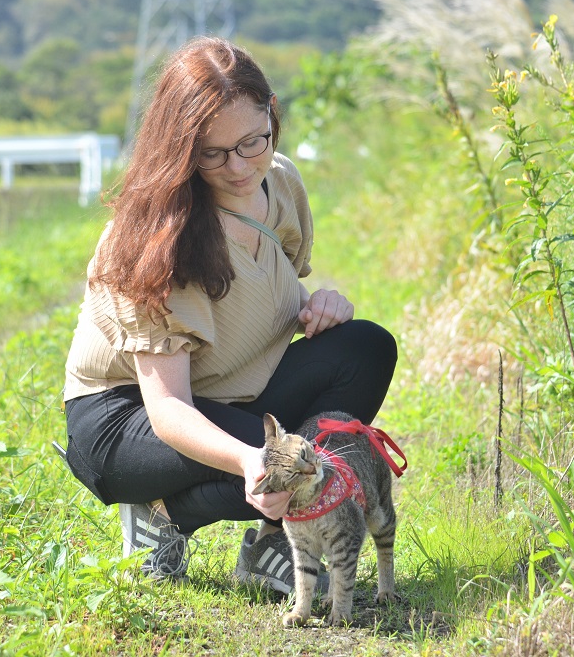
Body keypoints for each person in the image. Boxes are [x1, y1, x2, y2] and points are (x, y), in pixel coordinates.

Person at [62, 36, 396, 592]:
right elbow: (168, 407)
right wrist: (250, 461)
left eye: (251, 142)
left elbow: (265, 287)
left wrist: (321, 306)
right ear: (180, 148)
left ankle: (265, 538)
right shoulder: (155, 238)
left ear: (271, 114)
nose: (238, 167)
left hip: (227, 389)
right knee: (291, 464)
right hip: (126, 418)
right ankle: (162, 515)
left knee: (365, 348)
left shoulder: (280, 182)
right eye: (212, 154)